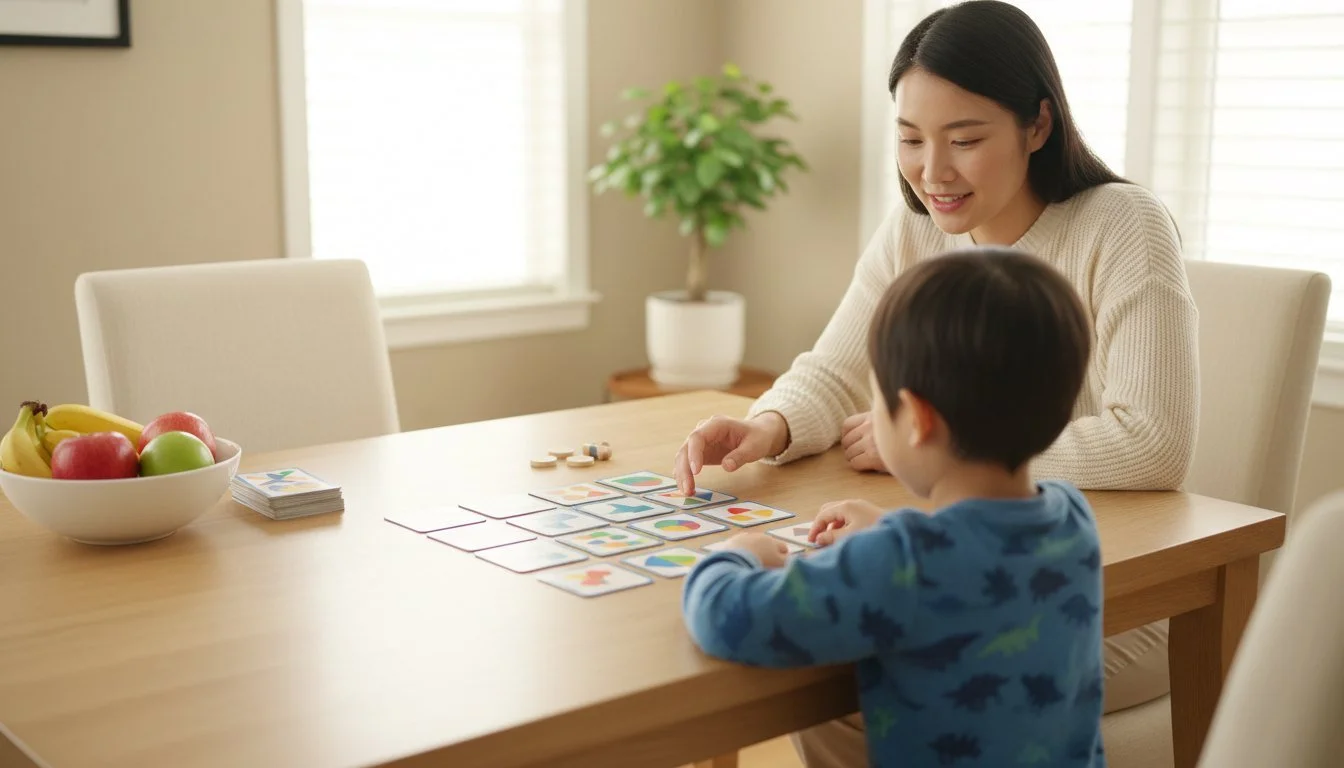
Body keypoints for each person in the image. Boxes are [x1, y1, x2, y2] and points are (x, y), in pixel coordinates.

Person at [671, 0, 1195, 734]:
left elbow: (1153, 442)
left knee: (837, 658)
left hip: (1104, 593)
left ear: (1038, 124)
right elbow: (839, 363)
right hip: (962, 558)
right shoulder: (917, 223)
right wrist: (769, 424)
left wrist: (955, 454)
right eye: (910, 139)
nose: (931, 171)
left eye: (965, 139)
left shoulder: (1121, 225)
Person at [682, 248, 1105, 767]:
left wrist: (736, 554)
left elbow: (730, 620)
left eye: (878, 399)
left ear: (918, 420)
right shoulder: (1073, 518)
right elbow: (981, 558)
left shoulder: (902, 563)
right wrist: (896, 532)